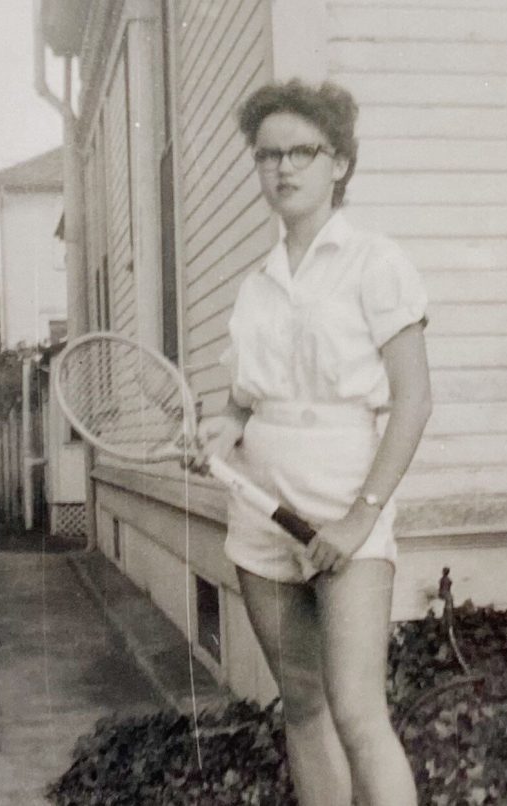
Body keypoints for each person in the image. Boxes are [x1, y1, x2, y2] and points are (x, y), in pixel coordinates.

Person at [197, 79, 430, 806]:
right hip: (261, 512)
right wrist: (221, 428)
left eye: (303, 150)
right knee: (302, 706)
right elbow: (244, 401)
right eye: (268, 154)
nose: (283, 167)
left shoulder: (375, 263)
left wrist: (359, 517)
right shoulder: (255, 285)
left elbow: (414, 400)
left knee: (360, 713)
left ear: (340, 164)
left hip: (344, 509)